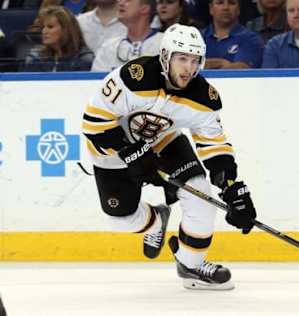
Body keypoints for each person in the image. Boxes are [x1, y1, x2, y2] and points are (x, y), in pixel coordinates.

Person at [82, 23, 257, 290]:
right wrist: (133, 154)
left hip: (163, 141)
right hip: (112, 150)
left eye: (195, 60)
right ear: (165, 56)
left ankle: (191, 265)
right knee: (120, 219)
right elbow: (94, 123)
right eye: (182, 59)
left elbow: (214, 147)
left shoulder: (204, 98)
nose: (188, 68)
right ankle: (155, 222)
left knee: (201, 195)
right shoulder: (133, 78)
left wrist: (231, 186)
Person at [91, 0, 163, 72]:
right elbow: (96, 80)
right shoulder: (109, 46)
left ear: (144, 8)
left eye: (127, 0)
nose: (120, 3)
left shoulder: (165, 43)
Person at [22, 5, 93, 71]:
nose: (44, 31)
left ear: (66, 30)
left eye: (50, 27)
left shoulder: (84, 59)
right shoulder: (37, 57)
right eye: (43, 27)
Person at [201, 0, 264, 69]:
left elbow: (241, 70)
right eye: (220, 3)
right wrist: (221, 63)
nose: (226, 8)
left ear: (239, 9)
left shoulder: (251, 39)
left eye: (232, 3)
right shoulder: (198, 37)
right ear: (211, 9)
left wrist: (203, 64)